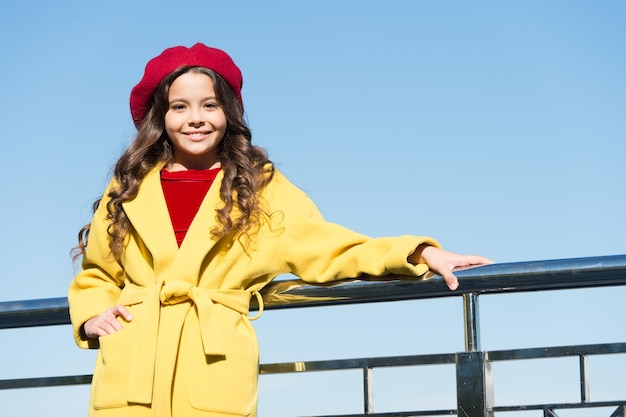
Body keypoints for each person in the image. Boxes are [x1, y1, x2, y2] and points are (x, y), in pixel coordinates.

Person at [68, 42, 492, 417]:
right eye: (179, 107)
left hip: (213, 368)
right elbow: (99, 271)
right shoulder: (129, 186)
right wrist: (90, 317)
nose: (195, 119)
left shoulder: (258, 185)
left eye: (210, 105)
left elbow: (330, 246)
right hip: (129, 370)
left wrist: (418, 253)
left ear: (229, 113)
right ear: (160, 117)